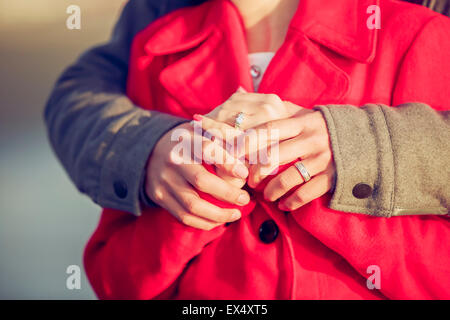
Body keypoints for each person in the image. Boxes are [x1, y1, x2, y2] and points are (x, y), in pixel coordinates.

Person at [68, 0, 450, 299]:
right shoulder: (156, 48)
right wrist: (197, 195)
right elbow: (114, 280)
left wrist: (322, 172)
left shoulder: (416, 34)